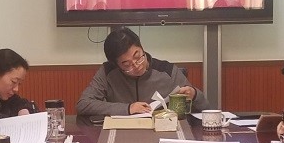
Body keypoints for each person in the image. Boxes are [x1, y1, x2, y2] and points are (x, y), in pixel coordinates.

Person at [75, 26, 209, 118]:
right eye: (126, 64)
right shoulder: (108, 72)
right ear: (116, 65)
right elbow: (83, 104)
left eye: (138, 56)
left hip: (162, 135)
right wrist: (128, 108)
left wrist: (194, 94)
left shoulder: (167, 71)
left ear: (142, 47)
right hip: (122, 136)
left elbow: (205, 108)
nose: (136, 66)